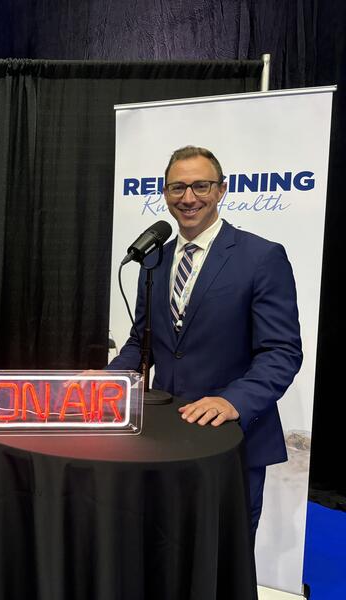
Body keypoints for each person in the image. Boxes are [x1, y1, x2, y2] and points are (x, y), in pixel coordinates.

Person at [108, 146, 302, 535]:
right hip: (163, 436)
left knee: (221, 560)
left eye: (201, 185)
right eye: (177, 187)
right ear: (164, 193)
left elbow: (281, 352)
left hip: (232, 440)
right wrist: (104, 383)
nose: (188, 197)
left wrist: (234, 401)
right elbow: (140, 344)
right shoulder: (154, 260)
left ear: (221, 190)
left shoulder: (261, 256)